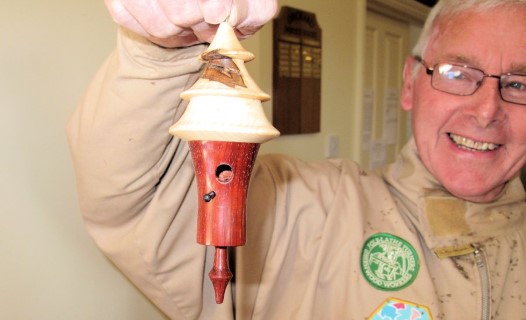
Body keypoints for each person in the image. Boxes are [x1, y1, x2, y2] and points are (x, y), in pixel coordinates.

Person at [67, 0, 526, 318]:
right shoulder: (303, 212)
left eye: (520, 85)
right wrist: (161, 55)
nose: (486, 110)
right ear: (409, 83)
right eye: (456, 73)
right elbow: (137, 202)